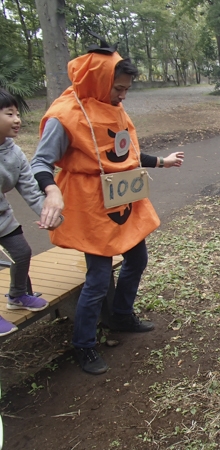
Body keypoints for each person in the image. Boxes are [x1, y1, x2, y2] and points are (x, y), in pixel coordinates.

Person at [31, 41, 184, 375]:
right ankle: (84, 344)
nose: (123, 95)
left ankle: (120, 316)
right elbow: (40, 163)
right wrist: (51, 191)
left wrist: (162, 161)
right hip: (91, 207)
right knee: (98, 278)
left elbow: (122, 153)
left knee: (137, 258)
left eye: (126, 89)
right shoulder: (65, 114)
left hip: (124, 199)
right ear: (99, 80)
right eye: (119, 88)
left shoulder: (114, 107)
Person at [0, 89, 55, 336]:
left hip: (3, 218)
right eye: (9, 113)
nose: (17, 119)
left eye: (18, 113)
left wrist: (51, 214)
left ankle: (18, 295)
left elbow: (31, 190)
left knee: (22, 253)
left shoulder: (14, 153)